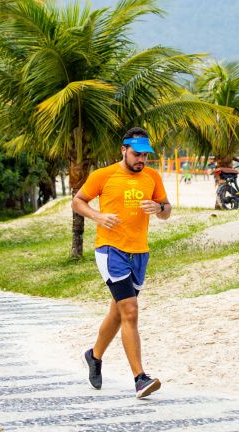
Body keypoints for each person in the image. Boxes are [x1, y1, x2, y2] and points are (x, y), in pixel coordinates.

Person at [71, 127, 171, 399]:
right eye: (136, 154)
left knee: (118, 312)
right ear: (123, 150)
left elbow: (167, 209)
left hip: (139, 253)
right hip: (110, 250)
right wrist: (97, 216)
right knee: (130, 310)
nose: (141, 159)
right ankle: (140, 378)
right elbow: (77, 201)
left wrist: (159, 209)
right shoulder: (103, 175)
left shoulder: (151, 177)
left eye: (145, 155)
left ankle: (94, 355)